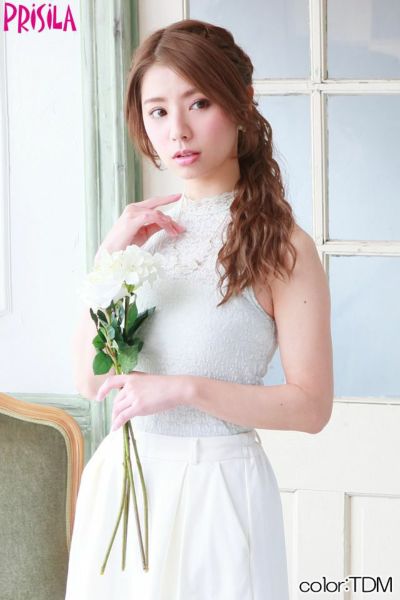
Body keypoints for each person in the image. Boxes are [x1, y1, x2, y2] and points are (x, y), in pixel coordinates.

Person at [65, 18, 333, 600]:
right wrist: (109, 259)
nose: (178, 131)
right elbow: (90, 381)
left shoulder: (282, 247)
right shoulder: (139, 239)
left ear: (242, 104)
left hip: (219, 489)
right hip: (125, 491)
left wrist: (183, 390)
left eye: (199, 103)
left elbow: (311, 407)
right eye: (158, 111)